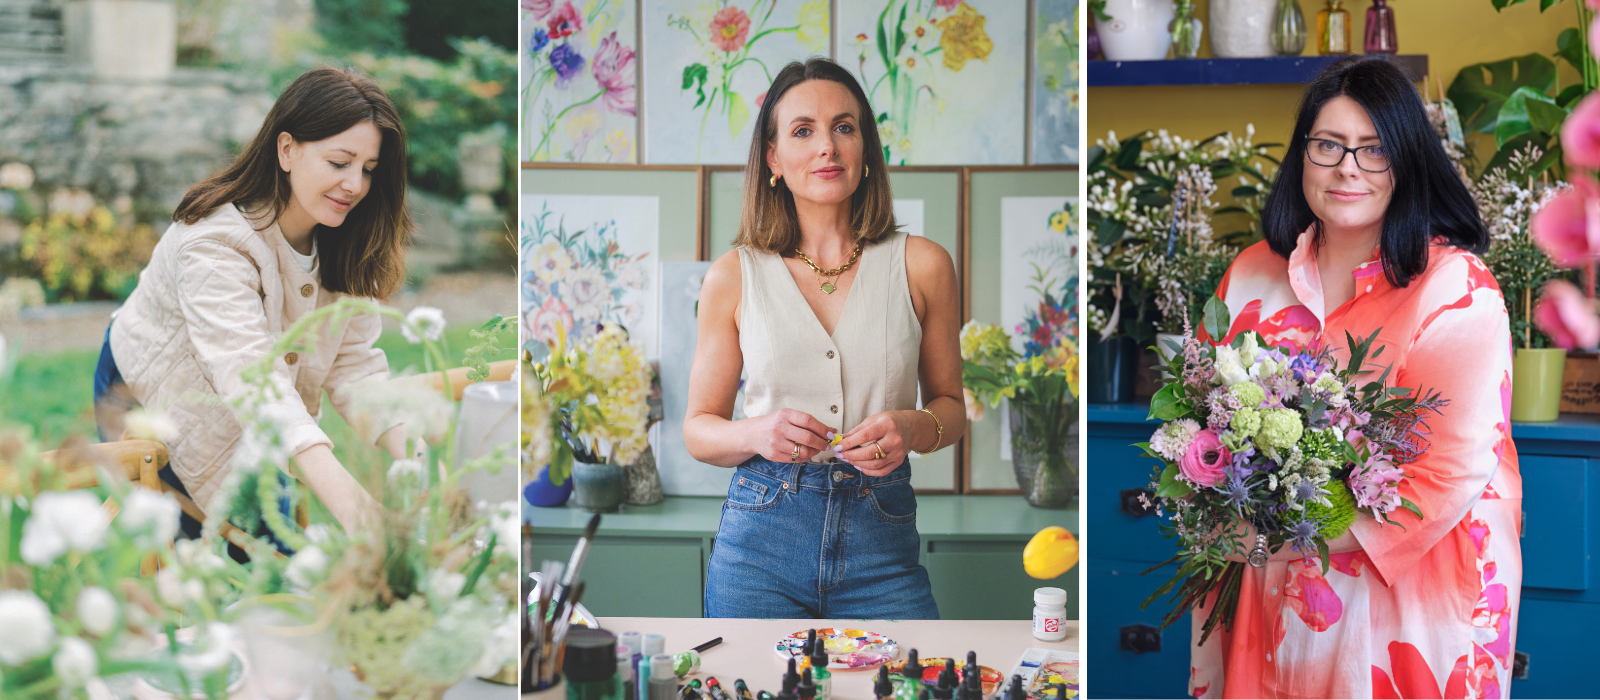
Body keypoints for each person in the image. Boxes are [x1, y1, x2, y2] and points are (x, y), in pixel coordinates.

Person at [1192, 57, 1520, 698]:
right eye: (1329, 145)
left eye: (1374, 150)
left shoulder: (1455, 290)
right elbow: (1198, 423)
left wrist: (1270, 538)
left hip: (1405, 612)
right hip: (1259, 589)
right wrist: (1220, 515)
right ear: (1302, 157)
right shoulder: (1251, 273)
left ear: (1408, 162)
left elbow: (1444, 476)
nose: (1348, 167)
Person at [684, 58, 966, 619]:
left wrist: (912, 425)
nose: (827, 148)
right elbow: (699, 431)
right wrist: (758, 433)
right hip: (758, 551)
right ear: (772, 159)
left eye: (844, 127)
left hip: (882, 546)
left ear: (865, 149)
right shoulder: (732, 276)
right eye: (803, 131)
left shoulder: (924, 265)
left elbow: (951, 409)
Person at [94, 67, 414, 543]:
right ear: (287, 150)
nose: (355, 185)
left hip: (257, 405)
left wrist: (416, 458)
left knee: (271, 554)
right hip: (154, 391)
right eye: (340, 162)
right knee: (197, 560)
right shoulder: (212, 242)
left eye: (368, 169)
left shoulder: (346, 239)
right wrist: (358, 510)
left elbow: (354, 366)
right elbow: (252, 376)